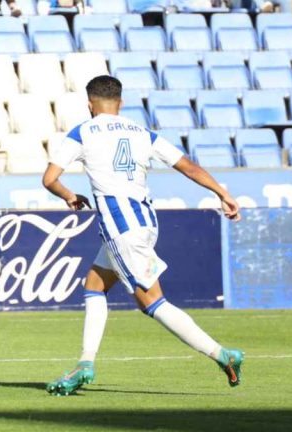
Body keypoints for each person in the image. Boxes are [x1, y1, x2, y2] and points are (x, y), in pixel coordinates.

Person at [41, 75, 245, 396]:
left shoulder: (83, 131)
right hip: (145, 221)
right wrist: (222, 192)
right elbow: (187, 166)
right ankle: (85, 362)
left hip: (121, 227)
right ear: (120, 104)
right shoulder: (141, 132)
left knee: (151, 301)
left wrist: (68, 195)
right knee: (95, 284)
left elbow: (50, 178)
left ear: (90, 105)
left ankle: (221, 354)